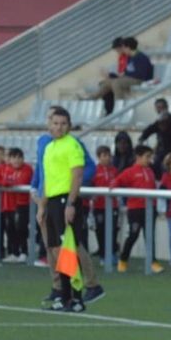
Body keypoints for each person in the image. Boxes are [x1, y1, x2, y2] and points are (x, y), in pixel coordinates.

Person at [32, 107, 104, 305]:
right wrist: (41, 204)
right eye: (54, 122)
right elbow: (45, 176)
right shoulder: (48, 146)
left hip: (65, 199)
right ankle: (63, 293)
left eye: (63, 123)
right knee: (54, 248)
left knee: (69, 247)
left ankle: (78, 292)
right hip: (52, 200)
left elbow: (79, 173)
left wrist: (71, 202)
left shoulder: (73, 145)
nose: (58, 127)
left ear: (69, 125)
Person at [112, 145, 161, 273]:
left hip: (150, 209)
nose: (149, 160)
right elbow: (118, 180)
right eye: (147, 157)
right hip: (135, 209)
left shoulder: (150, 171)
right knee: (133, 235)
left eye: (150, 157)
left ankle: (152, 262)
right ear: (138, 157)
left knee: (149, 236)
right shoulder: (130, 171)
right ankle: (123, 260)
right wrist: (113, 185)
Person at [94, 38, 154, 116]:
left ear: (128, 47)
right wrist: (119, 75)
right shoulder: (129, 58)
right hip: (128, 78)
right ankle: (91, 99)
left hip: (139, 80)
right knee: (105, 83)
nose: (123, 50)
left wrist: (123, 76)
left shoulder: (141, 57)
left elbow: (140, 75)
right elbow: (127, 71)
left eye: (124, 48)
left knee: (116, 83)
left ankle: (118, 108)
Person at [87, 145, 121, 258]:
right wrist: (93, 196)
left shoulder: (114, 170)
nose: (107, 158)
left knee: (113, 229)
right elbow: (90, 185)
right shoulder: (94, 170)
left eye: (108, 155)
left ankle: (112, 252)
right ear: (98, 157)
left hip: (113, 205)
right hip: (99, 206)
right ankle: (102, 252)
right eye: (104, 155)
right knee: (100, 230)